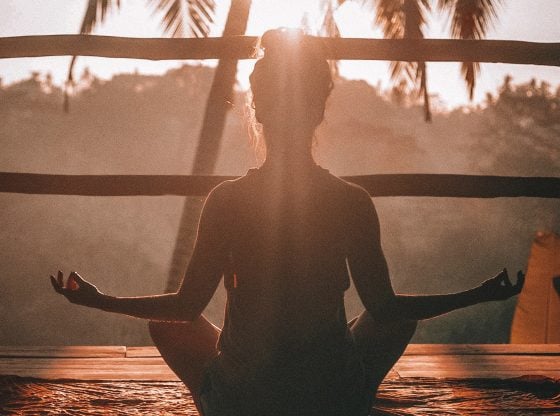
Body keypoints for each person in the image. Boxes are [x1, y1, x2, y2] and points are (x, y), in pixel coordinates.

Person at [50, 29, 525, 416]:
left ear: (258, 108)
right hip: (330, 397)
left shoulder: (227, 200)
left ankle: (218, 401)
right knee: (393, 322)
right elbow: (385, 307)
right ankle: (354, 398)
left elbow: (184, 305)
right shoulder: (350, 201)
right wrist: (479, 294)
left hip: (246, 401)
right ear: (319, 110)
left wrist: (99, 300)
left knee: (168, 327)